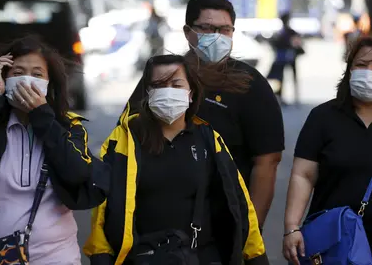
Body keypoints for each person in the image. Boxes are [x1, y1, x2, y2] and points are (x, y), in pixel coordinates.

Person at [84, 55, 268, 265]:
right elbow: (102, 208)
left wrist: (256, 256)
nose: (168, 92)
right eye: (159, 85)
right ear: (147, 93)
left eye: (176, 84)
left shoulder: (209, 139)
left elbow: (239, 202)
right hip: (144, 258)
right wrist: (100, 256)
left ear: (191, 93)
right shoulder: (124, 139)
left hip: (202, 257)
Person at [127, 0, 284, 232]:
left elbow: (267, 162)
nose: (217, 36)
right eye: (208, 28)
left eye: (225, 30)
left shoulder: (250, 84)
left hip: (222, 223)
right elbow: (126, 138)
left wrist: (251, 231)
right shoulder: (161, 76)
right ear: (188, 33)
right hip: (159, 221)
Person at [0, 36, 108, 264]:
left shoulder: (68, 127)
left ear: (49, 83)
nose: (26, 80)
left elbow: (77, 173)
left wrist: (41, 116)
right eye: (17, 73)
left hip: (57, 256)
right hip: (1, 257)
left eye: (37, 74)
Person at [283, 36, 372, 264]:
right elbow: (303, 175)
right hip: (335, 242)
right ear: (349, 70)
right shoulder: (324, 117)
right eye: (362, 65)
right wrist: (292, 227)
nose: (368, 72)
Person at [267, 12, 305, 105]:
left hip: (282, 58)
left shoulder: (281, 33)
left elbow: (273, 44)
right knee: (286, 78)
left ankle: (282, 97)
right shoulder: (290, 32)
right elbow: (297, 44)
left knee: (281, 78)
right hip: (289, 57)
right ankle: (292, 97)